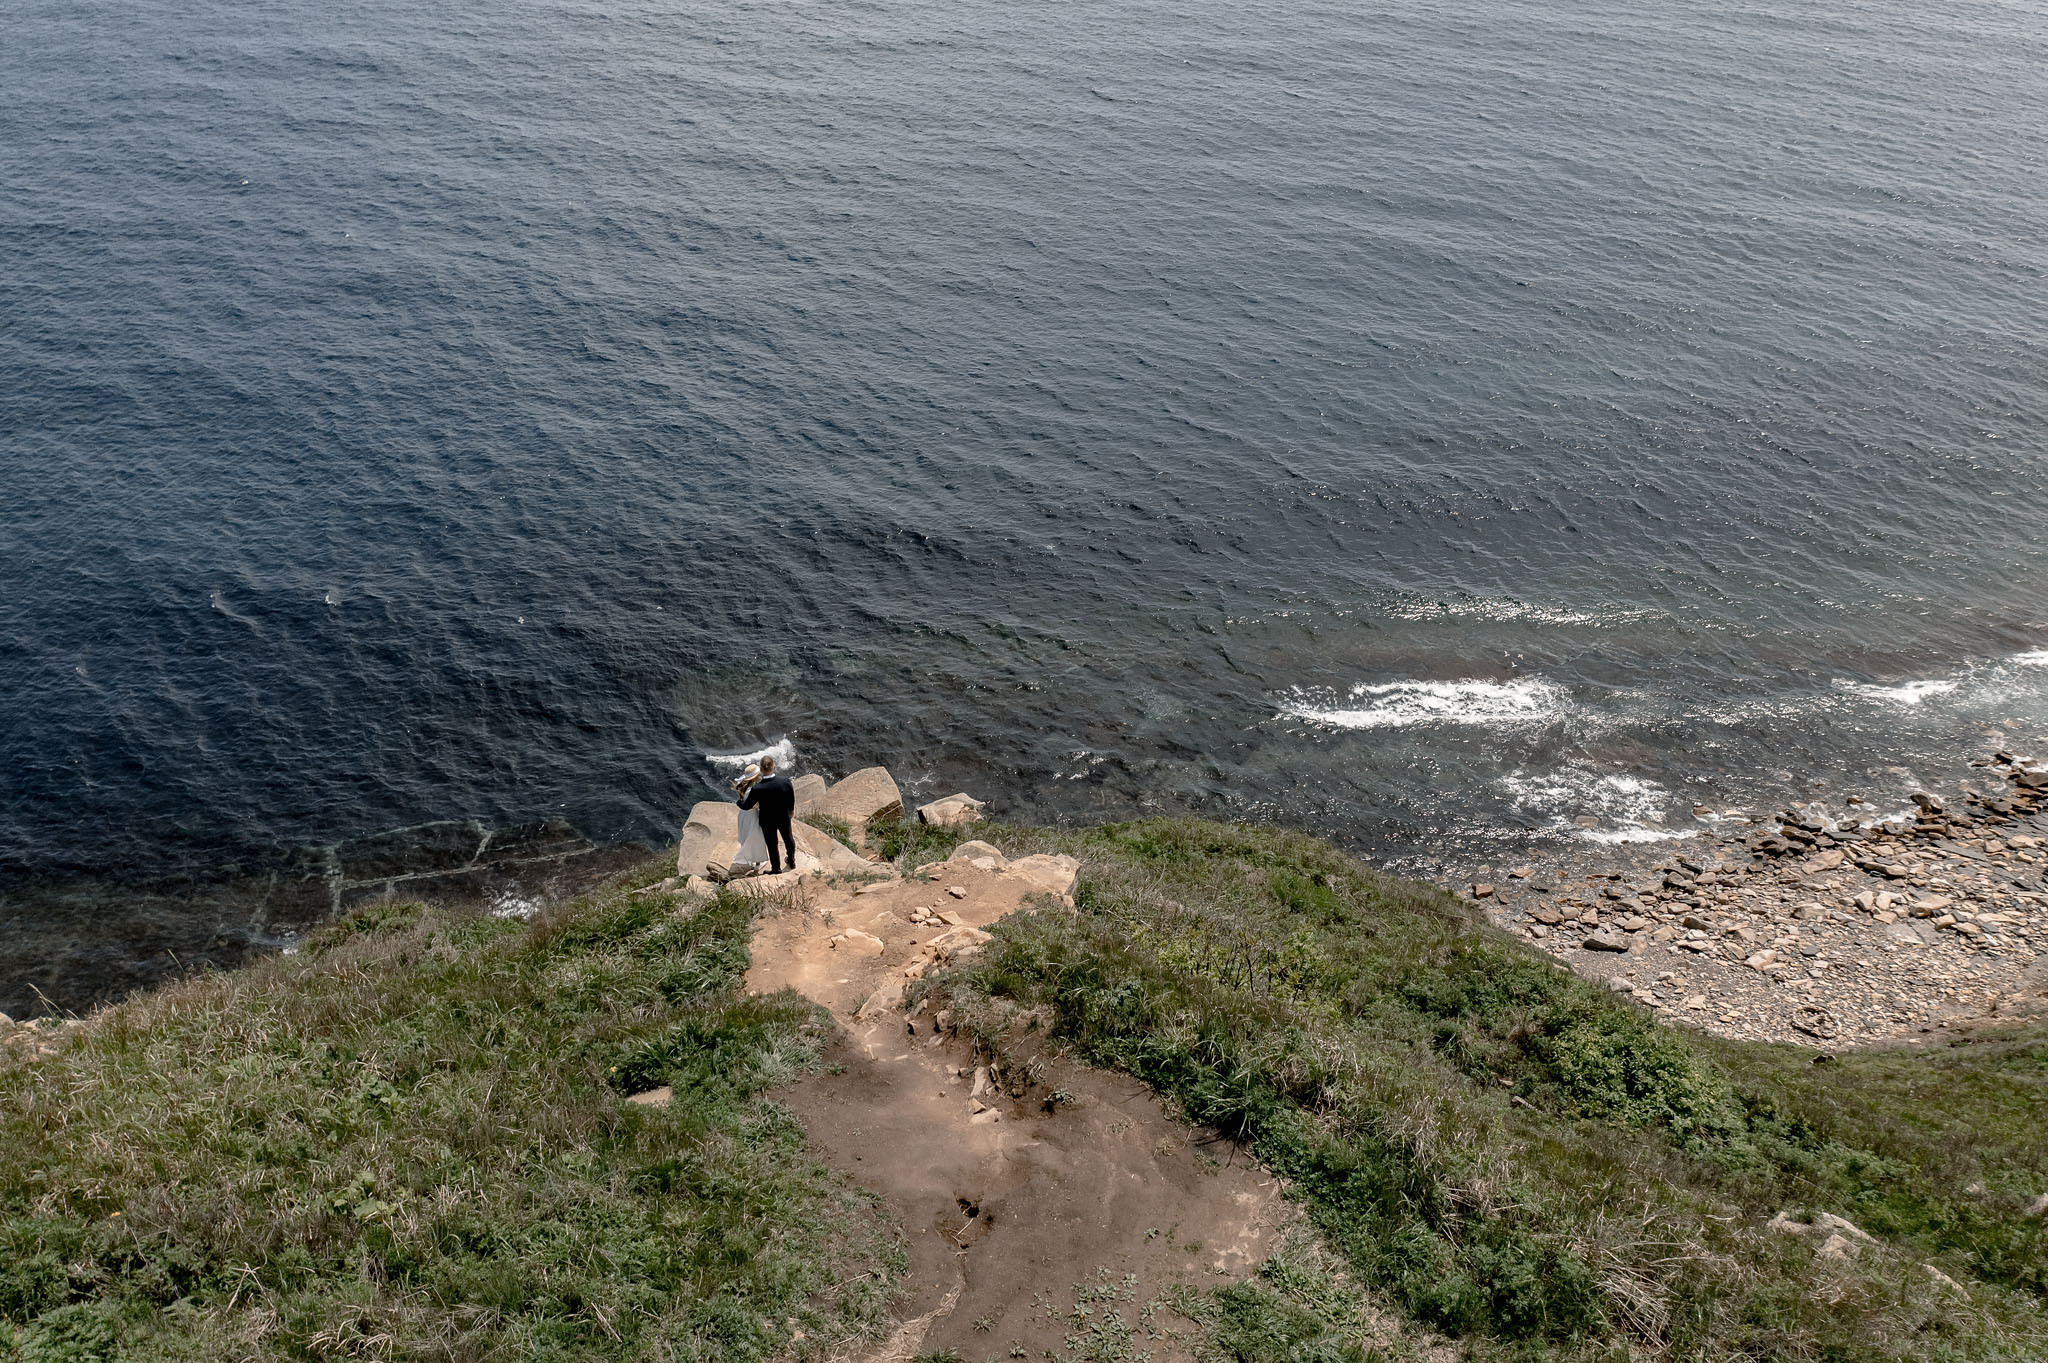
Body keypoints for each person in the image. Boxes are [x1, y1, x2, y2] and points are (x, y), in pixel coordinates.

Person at [737, 755, 798, 874]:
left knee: (772, 843)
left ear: (761, 769)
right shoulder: (785, 781)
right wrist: (791, 810)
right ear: (773, 766)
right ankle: (791, 860)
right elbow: (791, 796)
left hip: (767, 819)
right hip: (783, 816)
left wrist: (739, 802)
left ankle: (776, 868)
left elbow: (747, 806)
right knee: (788, 838)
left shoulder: (758, 788)